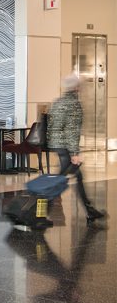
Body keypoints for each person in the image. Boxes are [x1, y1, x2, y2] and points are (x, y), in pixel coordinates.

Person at [47, 73, 106, 223]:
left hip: (57, 144)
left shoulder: (58, 101)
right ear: (76, 87)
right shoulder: (74, 104)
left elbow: (53, 125)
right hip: (67, 146)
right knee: (61, 179)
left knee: (76, 176)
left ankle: (89, 210)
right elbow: (72, 131)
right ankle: (39, 208)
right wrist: (74, 152)